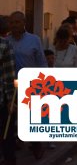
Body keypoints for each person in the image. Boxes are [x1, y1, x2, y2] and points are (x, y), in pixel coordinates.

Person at [7, 11, 46, 160]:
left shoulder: (34, 40)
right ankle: (10, 151)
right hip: (11, 87)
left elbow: (41, 62)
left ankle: (36, 146)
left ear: (24, 23)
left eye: (17, 22)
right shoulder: (5, 41)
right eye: (11, 22)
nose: (14, 25)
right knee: (11, 118)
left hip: (31, 85)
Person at [0, 34, 16, 165]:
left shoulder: (4, 45)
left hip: (2, 99)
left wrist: (11, 100)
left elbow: (9, 74)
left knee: (6, 137)